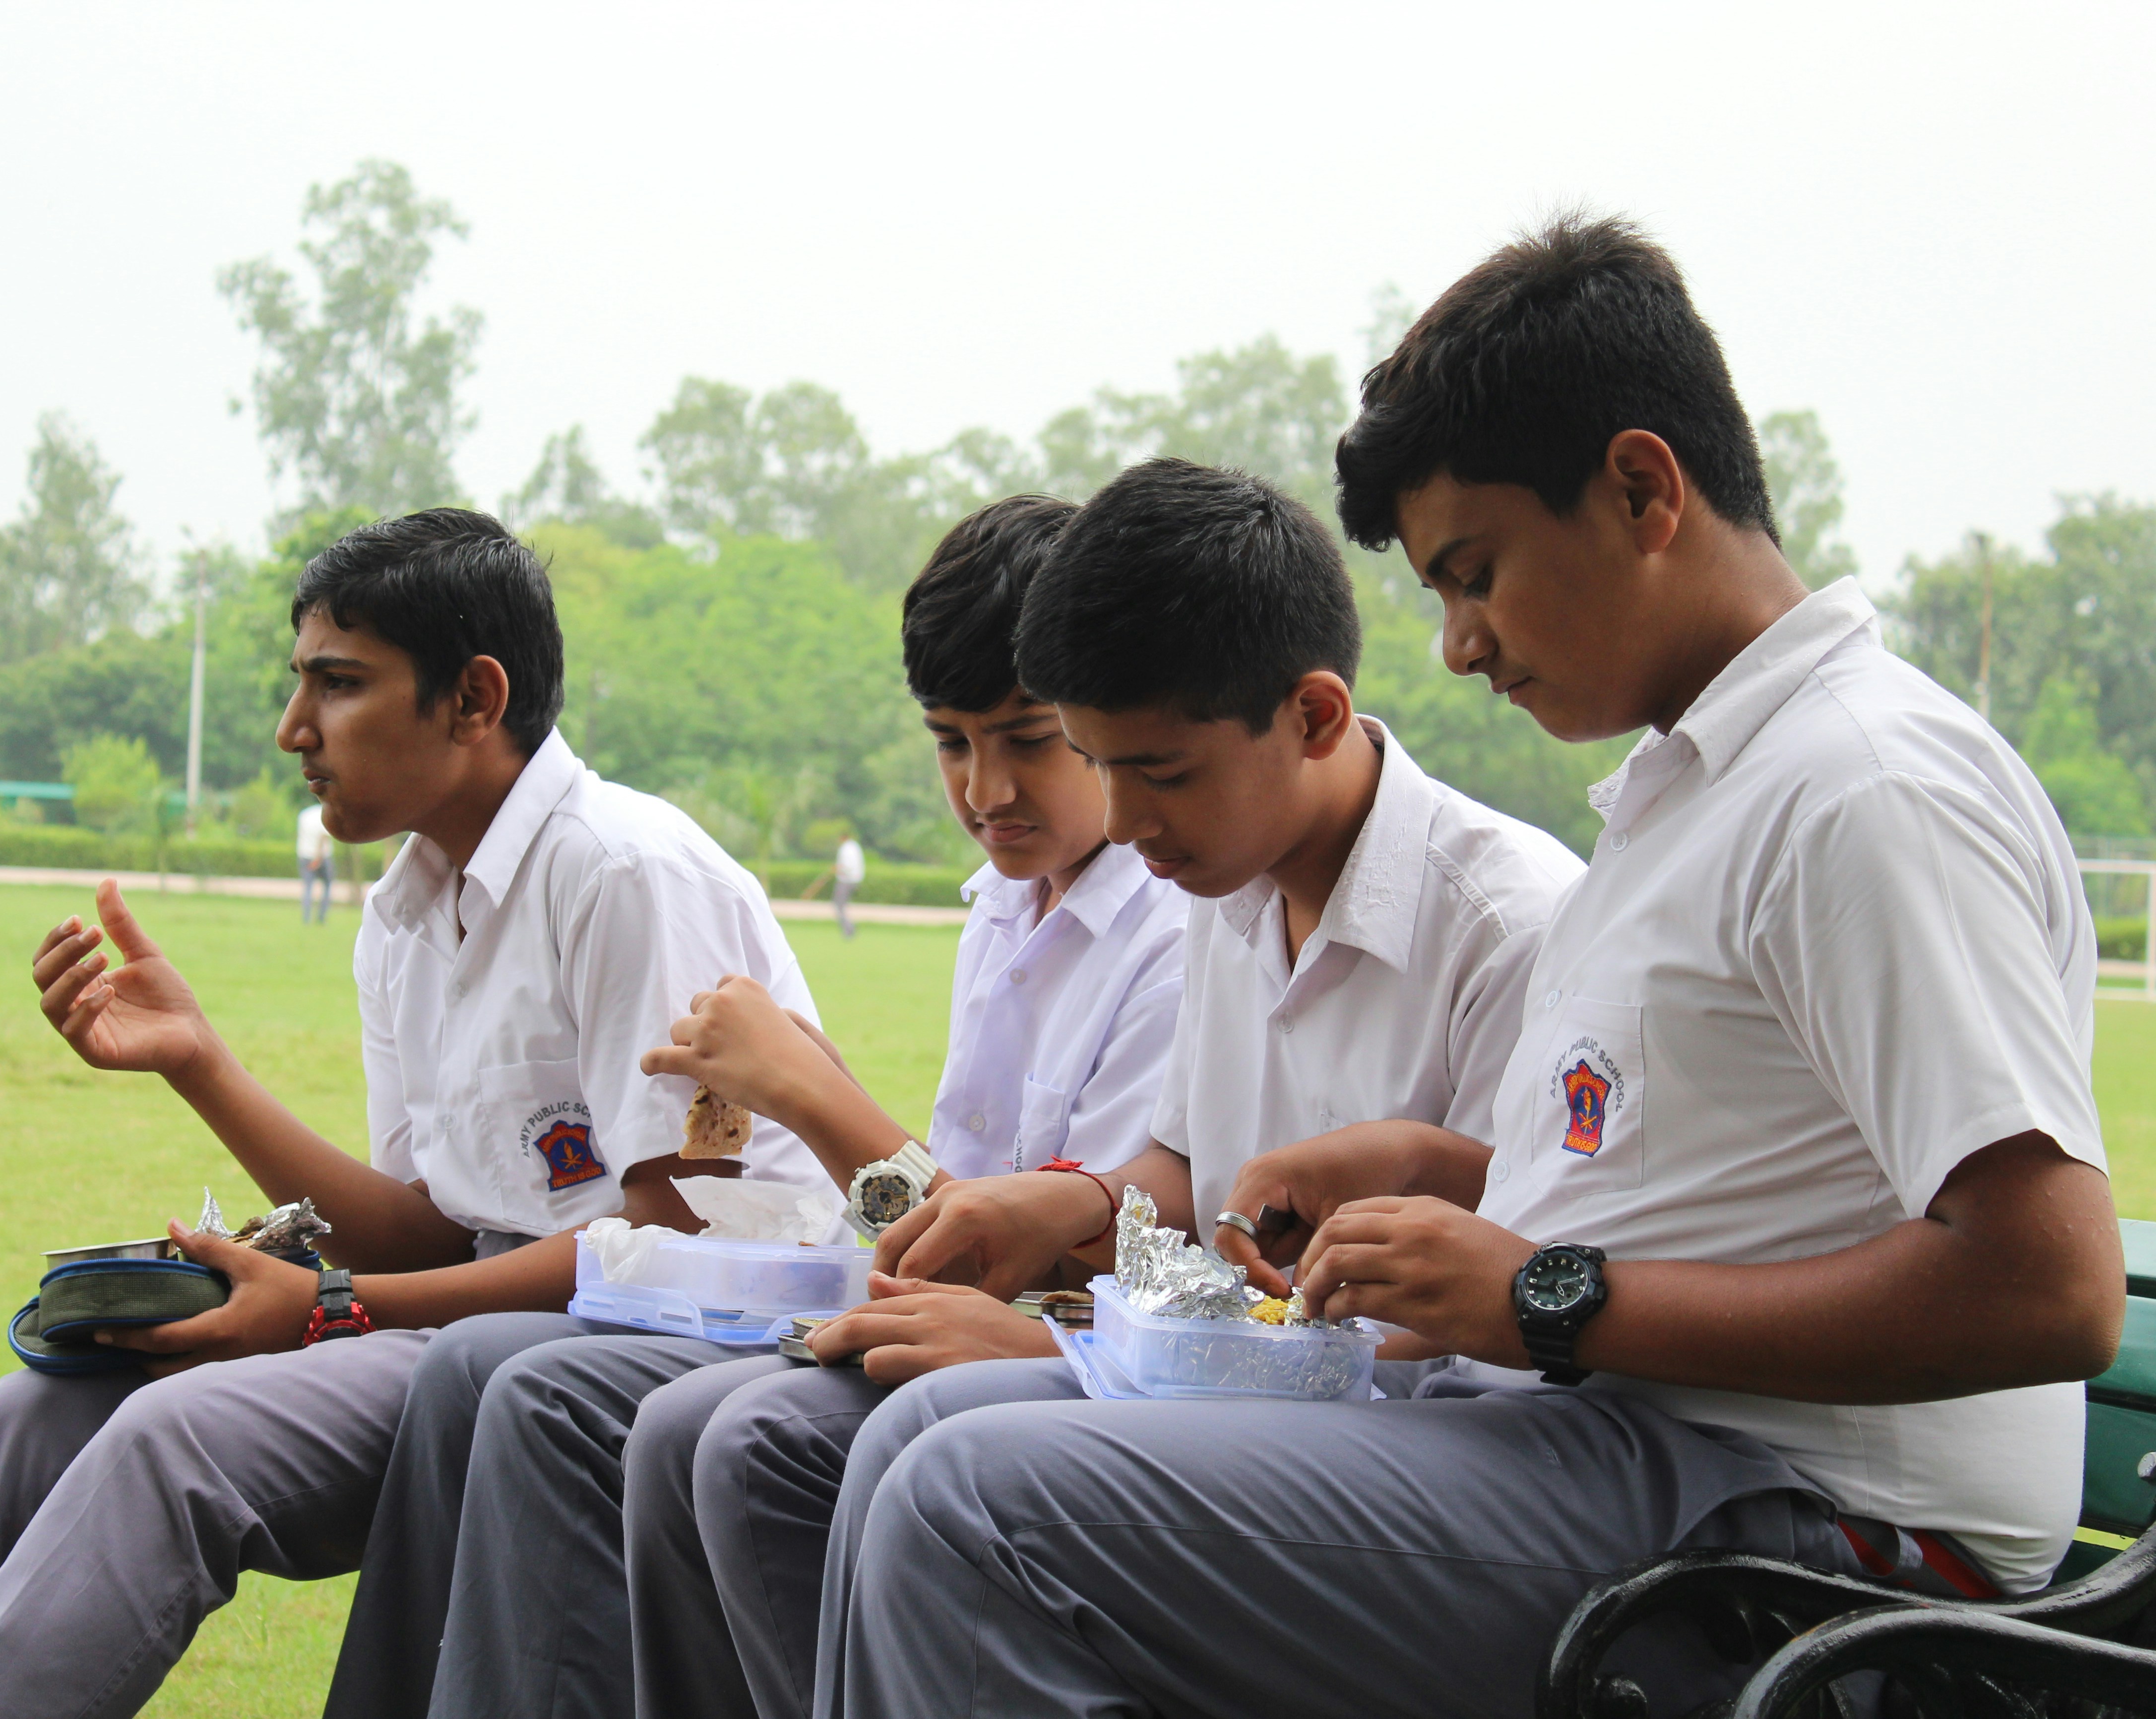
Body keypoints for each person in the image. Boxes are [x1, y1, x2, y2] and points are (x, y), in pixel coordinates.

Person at [817, 217, 2124, 1719]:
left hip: (1813, 1534)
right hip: (1615, 1447)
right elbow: (1723, 1190)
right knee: (923, 1449)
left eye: (1478, 573)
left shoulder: (1862, 787)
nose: (1454, 647)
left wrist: (1552, 1298)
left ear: (1643, 489)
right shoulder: (1701, 791)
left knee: (973, 1502)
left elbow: (2051, 1285)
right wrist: (1442, 1172)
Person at [0, 508, 835, 1719]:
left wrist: (335, 1305)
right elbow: (434, 1226)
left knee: (169, 1443)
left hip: (613, 1362)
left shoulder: (620, 871)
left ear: (473, 696)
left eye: (337, 685)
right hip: (464, 1324)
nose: (294, 729)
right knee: (44, 1409)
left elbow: (674, 1244)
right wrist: (199, 1065)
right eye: (301, 683)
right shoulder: (407, 912)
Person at [650, 456, 1585, 1719]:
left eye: (1157, 769)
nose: (1126, 818)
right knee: (765, 1446)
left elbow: (1477, 1326)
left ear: (1311, 716)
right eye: (1098, 762)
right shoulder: (1223, 876)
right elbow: (1187, 1178)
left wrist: (1061, 1340)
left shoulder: (1506, 927)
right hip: (1211, 1371)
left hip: (1394, 1425)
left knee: (936, 1463)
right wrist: (1067, 1205)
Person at [328, 493, 1195, 1719]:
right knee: (513, 1380)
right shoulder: (1010, 906)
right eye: (950, 742)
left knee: (646, 1418)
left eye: (1029, 739)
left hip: (1060, 1354)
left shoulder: (1171, 927)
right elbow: (953, 1223)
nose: (983, 786)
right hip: (914, 1304)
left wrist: (811, 1091)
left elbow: (1040, 1265)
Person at [297, 797, 333, 923]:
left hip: (304, 854)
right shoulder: (324, 813)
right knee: (327, 886)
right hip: (323, 856)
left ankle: (306, 918)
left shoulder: (303, 815)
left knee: (308, 887)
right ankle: (321, 917)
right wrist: (318, 858)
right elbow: (323, 837)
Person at [831, 830, 865, 938]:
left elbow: (848, 866)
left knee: (838, 905)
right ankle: (848, 927)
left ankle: (849, 928)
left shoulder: (846, 849)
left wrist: (838, 869)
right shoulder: (855, 846)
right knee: (840, 905)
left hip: (846, 880)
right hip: (854, 880)